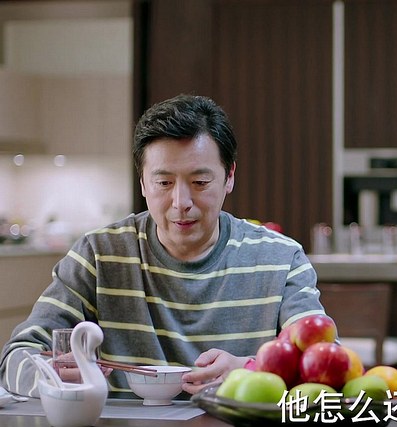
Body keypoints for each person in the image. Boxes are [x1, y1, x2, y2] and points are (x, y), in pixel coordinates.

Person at [0, 94, 328, 398]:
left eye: (200, 182)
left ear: (229, 176)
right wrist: (51, 377)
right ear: (143, 182)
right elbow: (15, 358)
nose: (181, 202)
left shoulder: (281, 259)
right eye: (163, 182)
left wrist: (251, 369)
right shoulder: (99, 256)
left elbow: (325, 369)